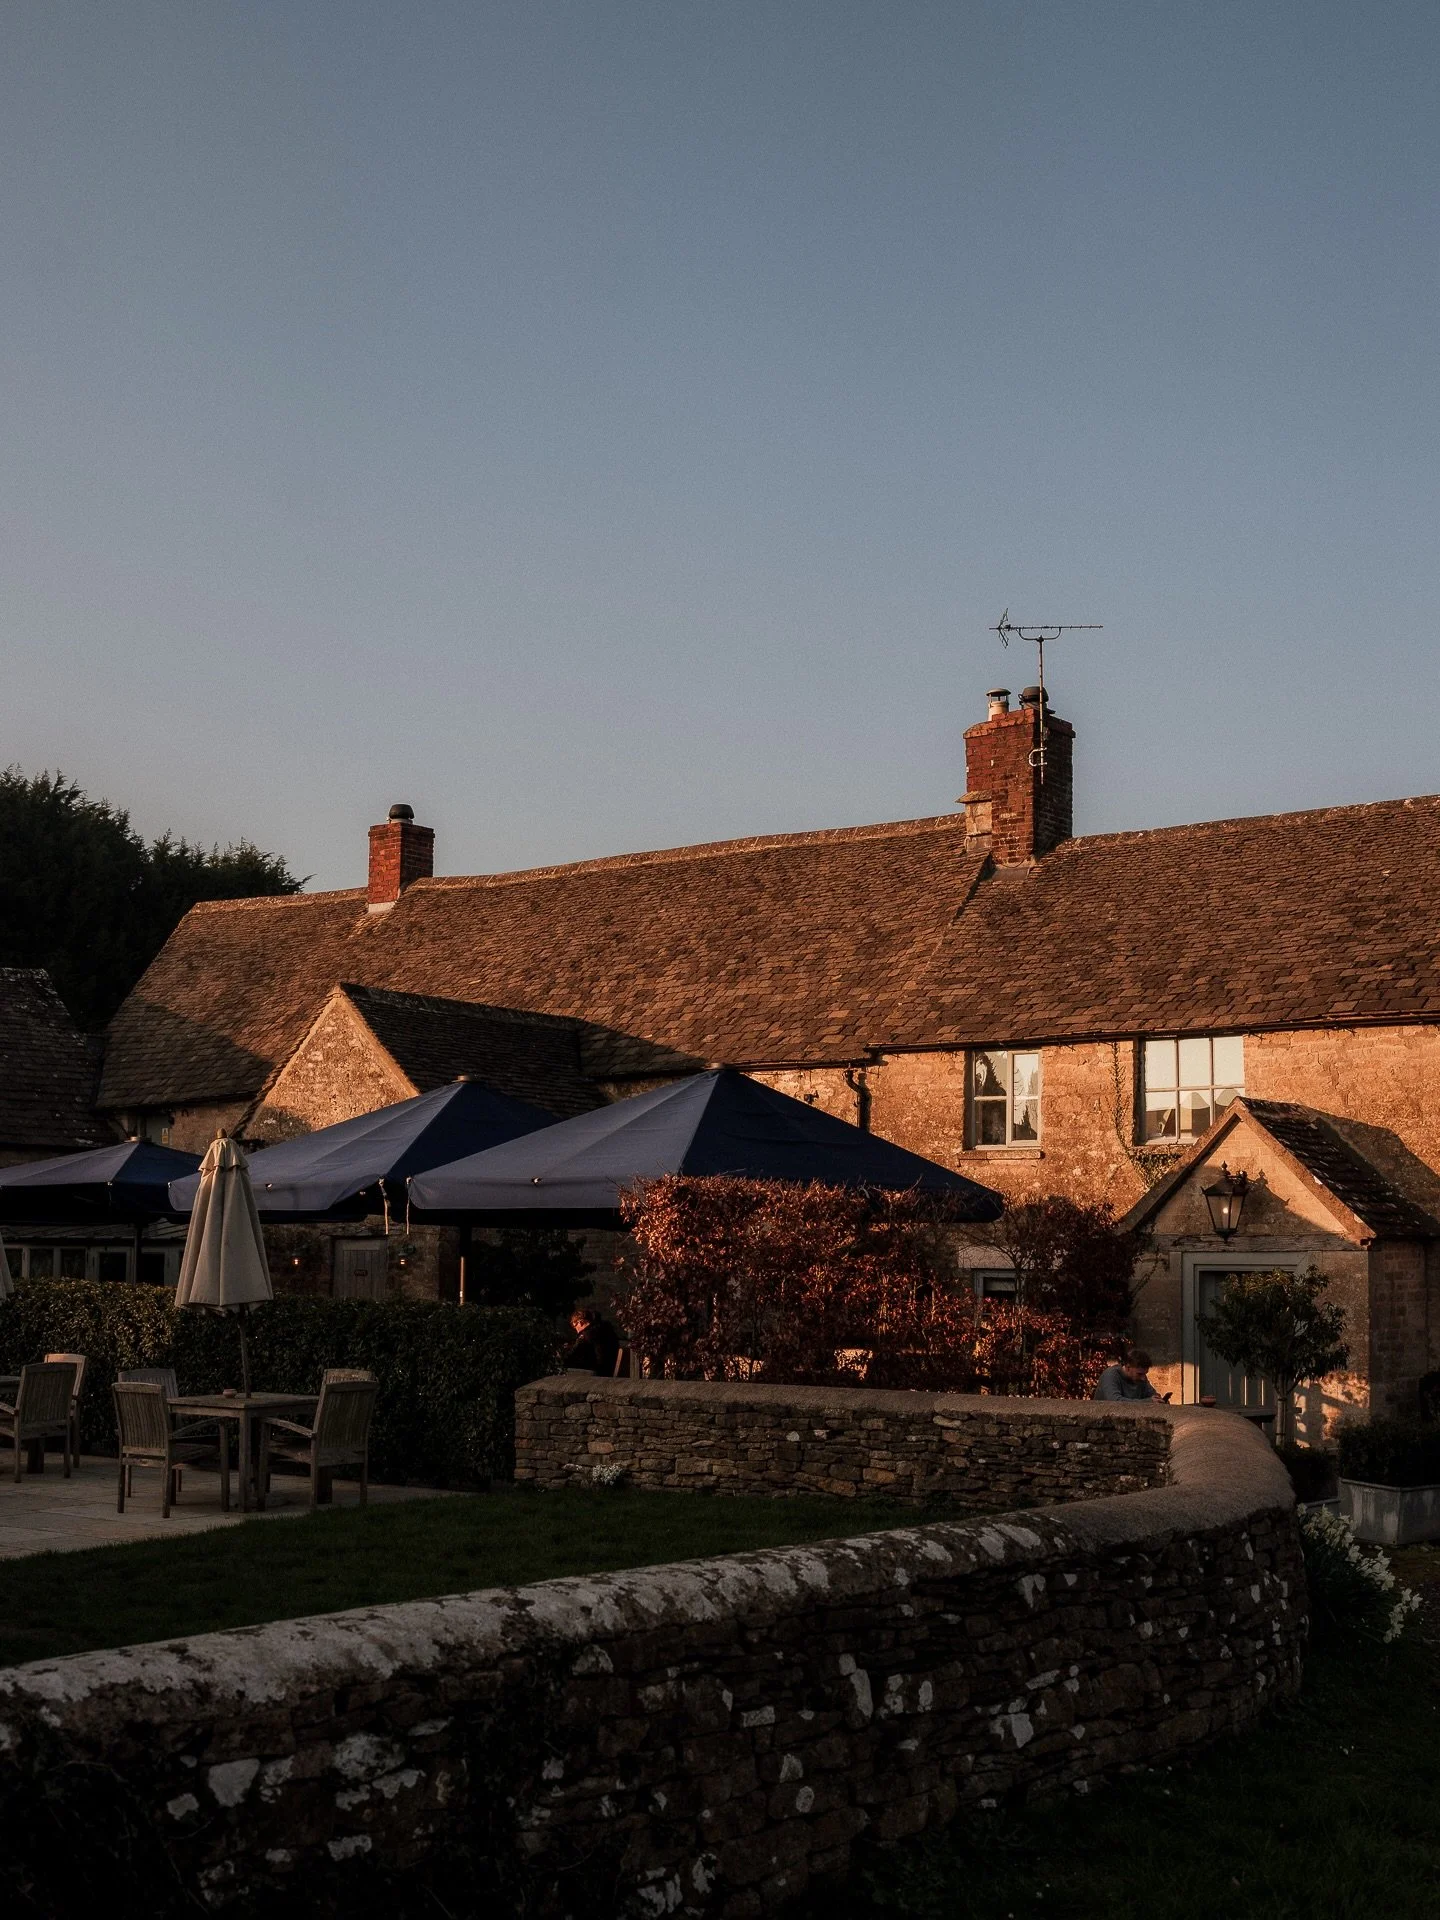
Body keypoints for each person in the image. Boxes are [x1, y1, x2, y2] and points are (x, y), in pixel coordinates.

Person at [1093, 1348, 1170, 1402]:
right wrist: (1148, 1402)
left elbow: (1152, 1395)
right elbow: (1114, 1401)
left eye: (1145, 1374)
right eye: (1139, 1374)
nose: (1143, 1378)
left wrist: (1160, 1401)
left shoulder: (1140, 1378)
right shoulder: (1110, 1375)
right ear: (1128, 1367)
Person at [565, 1305, 621, 1377]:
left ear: (580, 1322)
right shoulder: (606, 1330)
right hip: (609, 1370)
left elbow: (573, 1355)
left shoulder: (587, 1335)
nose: (576, 1330)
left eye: (575, 1326)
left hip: (597, 1373)